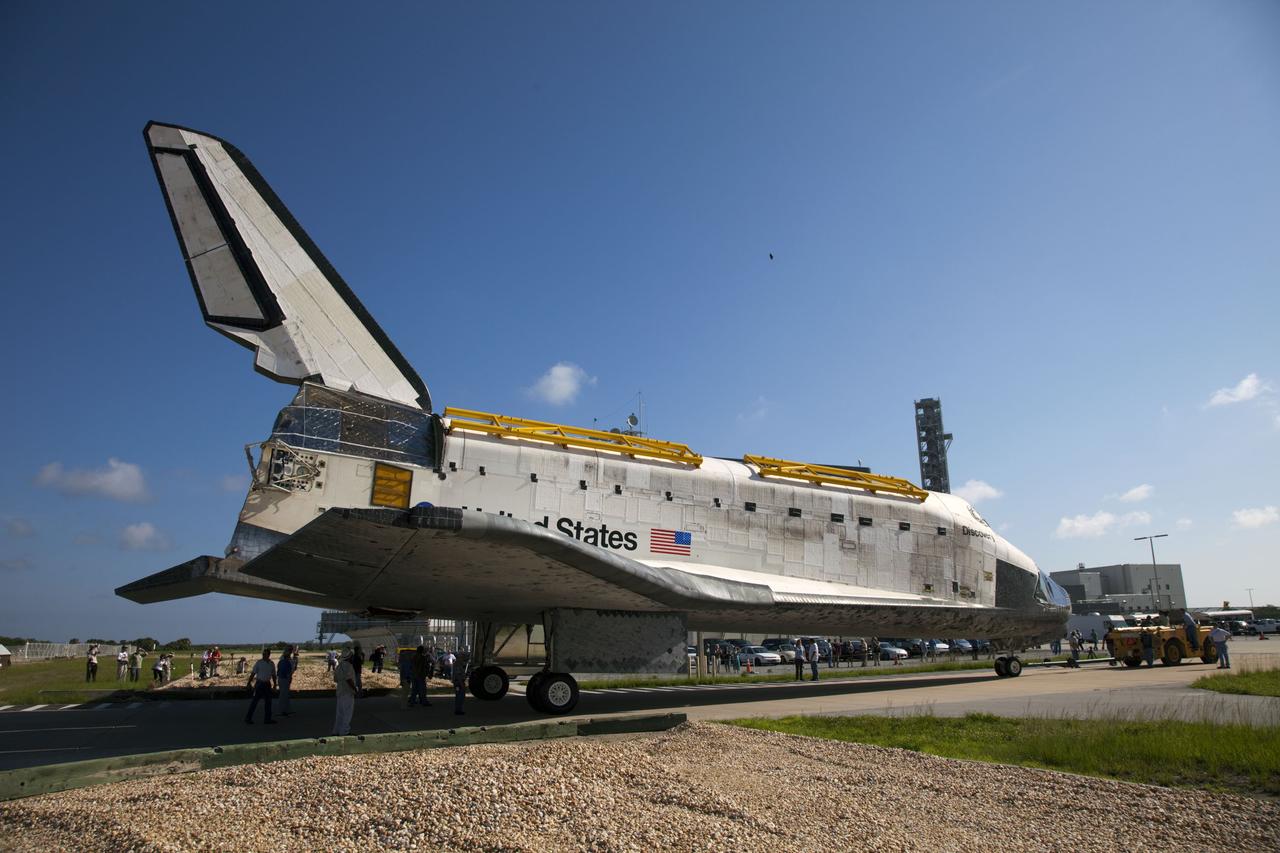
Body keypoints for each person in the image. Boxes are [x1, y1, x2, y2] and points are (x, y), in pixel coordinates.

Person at [244, 648, 277, 725]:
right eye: (263, 654)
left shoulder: (271, 664)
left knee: (268, 702)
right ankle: (248, 718)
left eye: (265, 654)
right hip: (259, 684)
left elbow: (273, 675)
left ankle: (267, 719)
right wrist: (248, 683)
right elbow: (253, 673)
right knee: (254, 701)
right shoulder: (259, 663)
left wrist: (275, 684)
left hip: (267, 684)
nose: (263, 655)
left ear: (269, 655)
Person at [333, 650, 358, 735]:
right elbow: (349, 679)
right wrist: (355, 689)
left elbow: (335, 679)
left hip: (340, 691)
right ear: (349, 657)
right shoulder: (349, 666)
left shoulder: (339, 666)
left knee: (340, 713)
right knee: (347, 713)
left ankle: (336, 731)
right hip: (347, 692)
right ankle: (344, 731)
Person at [277, 645, 295, 717]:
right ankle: (281, 710)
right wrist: (289, 678)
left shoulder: (282, 660)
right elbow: (289, 671)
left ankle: (287, 709)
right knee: (283, 695)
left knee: (285, 694)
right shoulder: (287, 661)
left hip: (282, 678)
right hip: (284, 679)